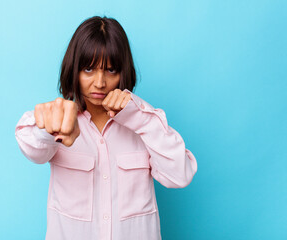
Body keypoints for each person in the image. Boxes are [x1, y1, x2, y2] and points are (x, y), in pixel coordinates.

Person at [15, 16, 197, 240]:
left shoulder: (143, 124)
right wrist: (49, 128)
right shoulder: (60, 119)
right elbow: (32, 147)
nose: (100, 82)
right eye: (89, 69)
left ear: (123, 72)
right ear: (74, 70)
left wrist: (139, 115)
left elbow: (180, 175)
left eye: (110, 70)